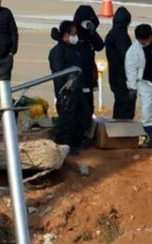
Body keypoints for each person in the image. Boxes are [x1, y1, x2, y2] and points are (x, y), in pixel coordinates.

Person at [48, 21, 92, 154]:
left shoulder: (73, 49)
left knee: (84, 117)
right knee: (68, 121)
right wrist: (65, 88)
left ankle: (75, 143)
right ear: (66, 34)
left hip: (77, 89)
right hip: (65, 92)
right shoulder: (57, 51)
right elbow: (58, 73)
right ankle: (64, 146)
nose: (76, 37)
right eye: (73, 34)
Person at [73, 5, 105, 118]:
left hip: (89, 76)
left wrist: (92, 32)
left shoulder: (90, 36)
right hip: (78, 78)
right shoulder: (75, 36)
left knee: (89, 106)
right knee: (79, 108)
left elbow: (100, 46)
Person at [105, 7, 136, 120]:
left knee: (120, 105)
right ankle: (123, 134)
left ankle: (118, 133)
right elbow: (126, 56)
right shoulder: (121, 36)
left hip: (115, 76)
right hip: (122, 77)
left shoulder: (112, 33)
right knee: (125, 108)